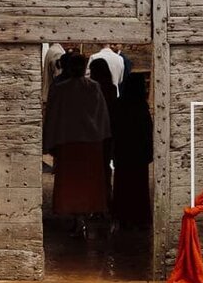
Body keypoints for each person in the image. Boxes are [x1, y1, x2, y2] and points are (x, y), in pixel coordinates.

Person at [43, 50, 111, 227]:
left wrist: (50, 140)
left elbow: (52, 116)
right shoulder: (93, 87)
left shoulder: (59, 89)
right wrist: (103, 137)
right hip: (91, 141)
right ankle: (85, 214)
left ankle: (75, 217)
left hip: (68, 141)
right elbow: (102, 115)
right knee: (88, 181)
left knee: (71, 182)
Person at [110, 70, 153, 228]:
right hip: (139, 154)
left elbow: (113, 128)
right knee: (139, 186)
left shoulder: (119, 105)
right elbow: (148, 132)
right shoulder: (142, 107)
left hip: (123, 152)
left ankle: (122, 216)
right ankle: (139, 217)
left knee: (123, 185)